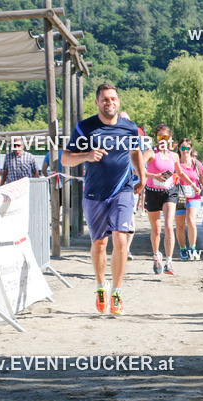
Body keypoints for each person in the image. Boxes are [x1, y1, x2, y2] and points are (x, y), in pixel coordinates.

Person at [61, 82, 146, 315]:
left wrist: (142, 175)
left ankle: (116, 292)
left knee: (120, 239)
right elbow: (65, 159)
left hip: (123, 190)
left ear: (119, 101)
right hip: (95, 193)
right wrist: (87, 155)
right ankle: (101, 286)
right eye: (105, 99)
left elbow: (136, 150)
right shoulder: (85, 128)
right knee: (99, 244)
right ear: (97, 102)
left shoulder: (129, 128)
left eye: (113, 99)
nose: (109, 103)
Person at [142, 124, 191, 275]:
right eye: (159, 137)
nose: (162, 139)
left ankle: (169, 262)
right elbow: (139, 169)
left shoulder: (174, 156)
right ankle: (157, 255)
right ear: (156, 138)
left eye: (165, 137)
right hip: (152, 192)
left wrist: (194, 185)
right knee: (156, 229)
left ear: (170, 138)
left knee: (169, 226)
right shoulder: (151, 153)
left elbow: (180, 172)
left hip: (170, 192)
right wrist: (154, 176)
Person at [174, 138, 203, 261]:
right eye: (183, 148)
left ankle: (193, 248)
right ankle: (183, 249)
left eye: (187, 148)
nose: (185, 151)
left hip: (194, 195)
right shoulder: (176, 162)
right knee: (180, 226)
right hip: (179, 196)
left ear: (191, 149)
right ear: (179, 149)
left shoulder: (196, 164)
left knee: (191, 221)